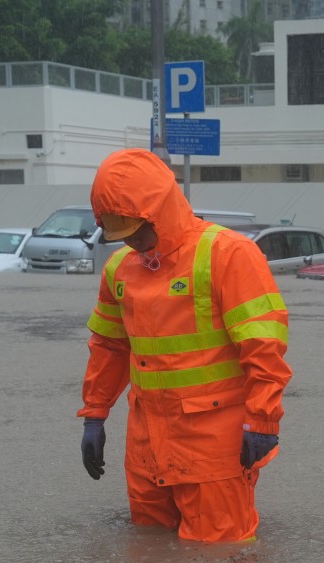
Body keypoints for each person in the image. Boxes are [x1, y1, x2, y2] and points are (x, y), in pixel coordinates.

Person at [77, 148, 291, 542]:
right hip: (146, 445)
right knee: (151, 553)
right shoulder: (118, 268)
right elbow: (108, 347)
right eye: (119, 231)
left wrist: (262, 420)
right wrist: (95, 414)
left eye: (137, 229)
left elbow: (264, 348)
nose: (132, 241)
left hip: (213, 444)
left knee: (219, 562)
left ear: (159, 209)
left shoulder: (228, 254)